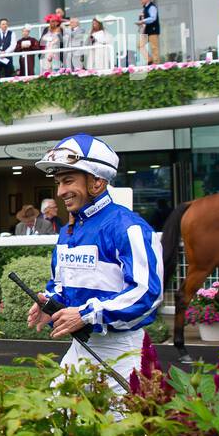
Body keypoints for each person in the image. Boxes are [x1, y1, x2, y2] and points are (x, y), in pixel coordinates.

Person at [29, 133, 162, 398]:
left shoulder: (128, 226)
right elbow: (60, 283)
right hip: (80, 349)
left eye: (68, 181)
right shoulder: (69, 229)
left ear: (98, 181)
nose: (60, 191)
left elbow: (147, 293)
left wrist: (86, 315)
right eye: (58, 183)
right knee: (58, 427)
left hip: (123, 353)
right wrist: (50, 302)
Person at [135, 0, 160, 65]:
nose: (141, 1)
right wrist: (141, 21)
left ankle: (156, 64)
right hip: (146, 31)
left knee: (154, 47)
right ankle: (149, 59)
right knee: (139, 45)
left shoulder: (152, 7)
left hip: (153, 30)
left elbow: (153, 18)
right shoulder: (144, 8)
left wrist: (142, 21)